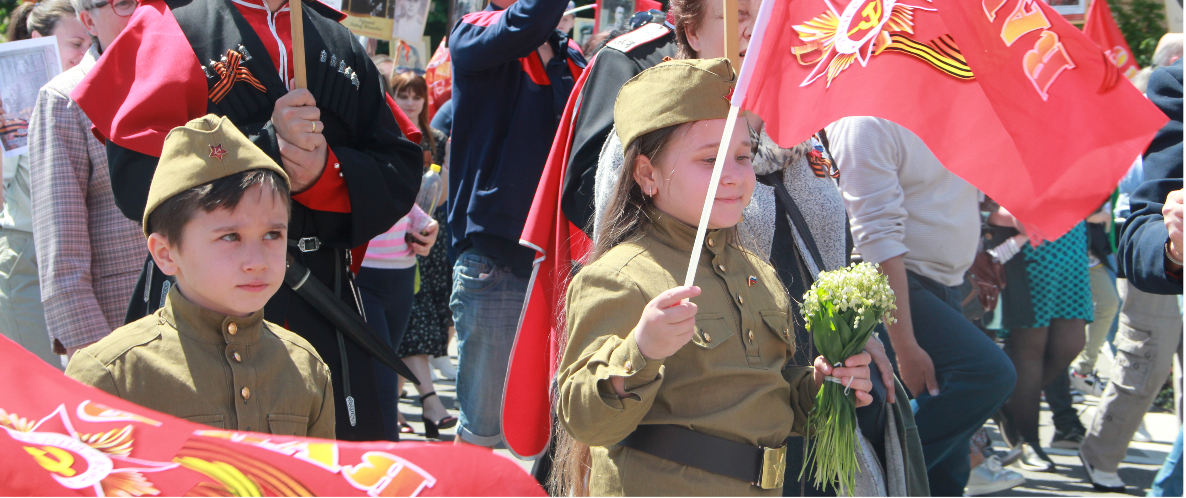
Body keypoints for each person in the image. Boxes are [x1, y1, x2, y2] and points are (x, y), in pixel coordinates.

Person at [71, 0, 424, 441]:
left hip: (325, 309)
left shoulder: (340, 41)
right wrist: (267, 151)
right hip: (200, 312)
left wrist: (324, 172)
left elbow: (400, 167)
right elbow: (138, 177)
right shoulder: (172, 28)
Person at [554, 58, 873, 496]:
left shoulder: (756, 271)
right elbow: (583, 419)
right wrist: (641, 351)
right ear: (647, 174)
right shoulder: (618, 276)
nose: (733, 176)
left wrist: (823, 387)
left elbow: (771, 397)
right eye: (709, 160)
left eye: (743, 157)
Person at [65, 115, 335, 439]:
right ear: (165, 253)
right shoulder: (111, 375)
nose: (257, 261)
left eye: (273, 234)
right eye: (231, 237)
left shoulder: (305, 367)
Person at [826, 116, 1017, 496]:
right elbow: (876, 243)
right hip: (894, 284)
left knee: (949, 473)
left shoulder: (944, 107)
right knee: (987, 374)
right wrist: (906, 345)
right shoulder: (865, 121)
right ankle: (859, 485)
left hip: (945, 289)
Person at [447, 0, 585, 447]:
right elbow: (522, 25)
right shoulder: (472, 31)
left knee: (556, 441)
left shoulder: (572, 53)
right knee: (482, 438)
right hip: (496, 260)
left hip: (562, 261)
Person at [1080, 59, 1183, 493]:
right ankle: (1100, 455)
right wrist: (1174, 248)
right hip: (1160, 266)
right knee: (1145, 362)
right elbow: (1142, 218)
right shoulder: (1175, 90)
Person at [24, 0, 136, 367]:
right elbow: (62, 253)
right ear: (88, 20)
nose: (140, 11)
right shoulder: (63, 98)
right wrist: (91, 358)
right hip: (118, 327)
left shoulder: (197, 77)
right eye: (122, 4)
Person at [1, 0, 92, 367]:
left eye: (90, 43)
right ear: (38, 40)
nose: (85, 54)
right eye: (74, 44)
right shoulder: (14, 103)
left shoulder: (88, 99)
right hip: (27, 265)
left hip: (80, 268)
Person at [385, 70, 457, 438]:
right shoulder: (385, 133)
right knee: (405, 323)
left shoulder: (437, 138)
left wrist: (427, 196)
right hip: (392, 237)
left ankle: (394, 407)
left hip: (428, 232)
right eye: (403, 93)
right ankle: (426, 402)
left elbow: (441, 192)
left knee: (424, 318)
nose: (411, 101)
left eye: (416, 94)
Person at [989, 213, 1091, 471]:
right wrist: (1016, 218)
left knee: (1072, 342)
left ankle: (1004, 401)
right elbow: (989, 206)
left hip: (1072, 244)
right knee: (1030, 349)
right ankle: (1027, 441)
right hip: (1032, 249)